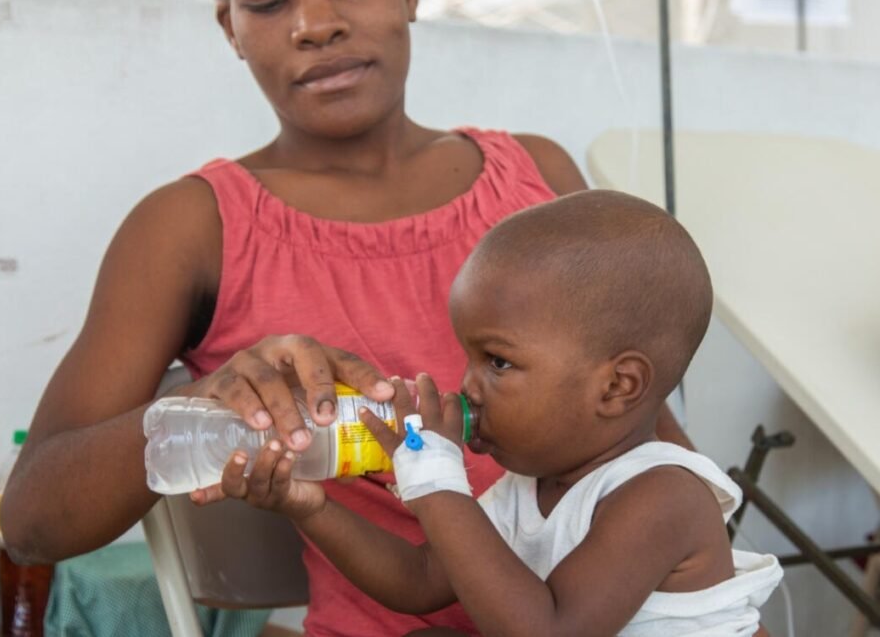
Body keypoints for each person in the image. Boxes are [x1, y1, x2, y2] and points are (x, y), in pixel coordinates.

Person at [0, 0, 690, 634]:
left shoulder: (536, 181)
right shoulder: (191, 229)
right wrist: (209, 402)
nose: (317, 24)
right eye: (268, 2)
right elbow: (33, 519)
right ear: (231, 29)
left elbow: (651, 442)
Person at [222, 190, 783, 636]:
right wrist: (312, 509)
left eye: (498, 362)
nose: (467, 385)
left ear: (617, 386)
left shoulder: (664, 495)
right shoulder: (529, 489)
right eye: (469, 359)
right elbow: (419, 580)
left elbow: (548, 631)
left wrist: (435, 480)